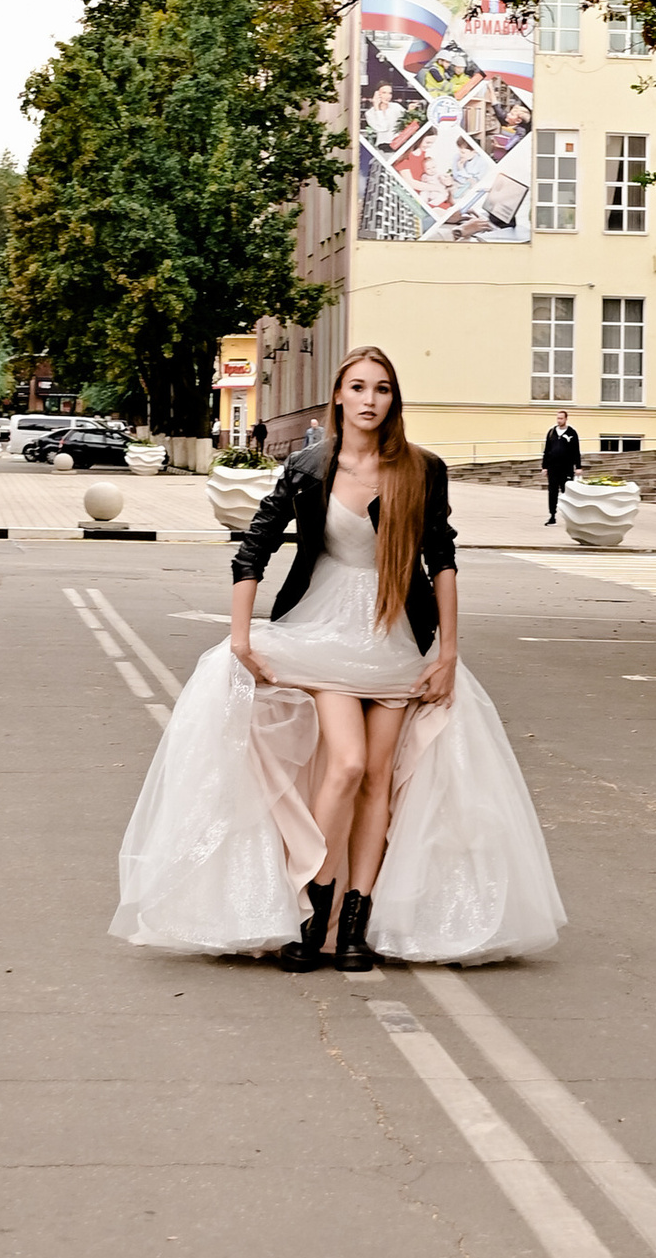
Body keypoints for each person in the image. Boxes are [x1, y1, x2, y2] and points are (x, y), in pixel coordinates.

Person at [112, 345, 566, 974]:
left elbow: (443, 561)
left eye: (382, 388)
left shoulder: (421, 470)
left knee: (379, 777)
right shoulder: (307, 466)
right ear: (340, 395)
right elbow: (255, 547)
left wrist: (450, 653)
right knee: (347, 763)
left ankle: (355, 921)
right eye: (358, 387)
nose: (370, 399)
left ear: (393, 399)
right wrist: (242, 638)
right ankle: (311, 911)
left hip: (394, 639)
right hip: (319, 630)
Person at [541, 408, 582, 524]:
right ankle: (552, 515)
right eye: (557, 418)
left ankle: (569, 516)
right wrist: (544, 467)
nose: (559, 420)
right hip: (553, 468)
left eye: (561, 418)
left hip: (566, 468)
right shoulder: (551, 432)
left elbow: (576, 450)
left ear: (566, 419)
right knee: (552, 492)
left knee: (566, 491)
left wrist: (578, 467)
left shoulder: (572, 433)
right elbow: (547, 450)